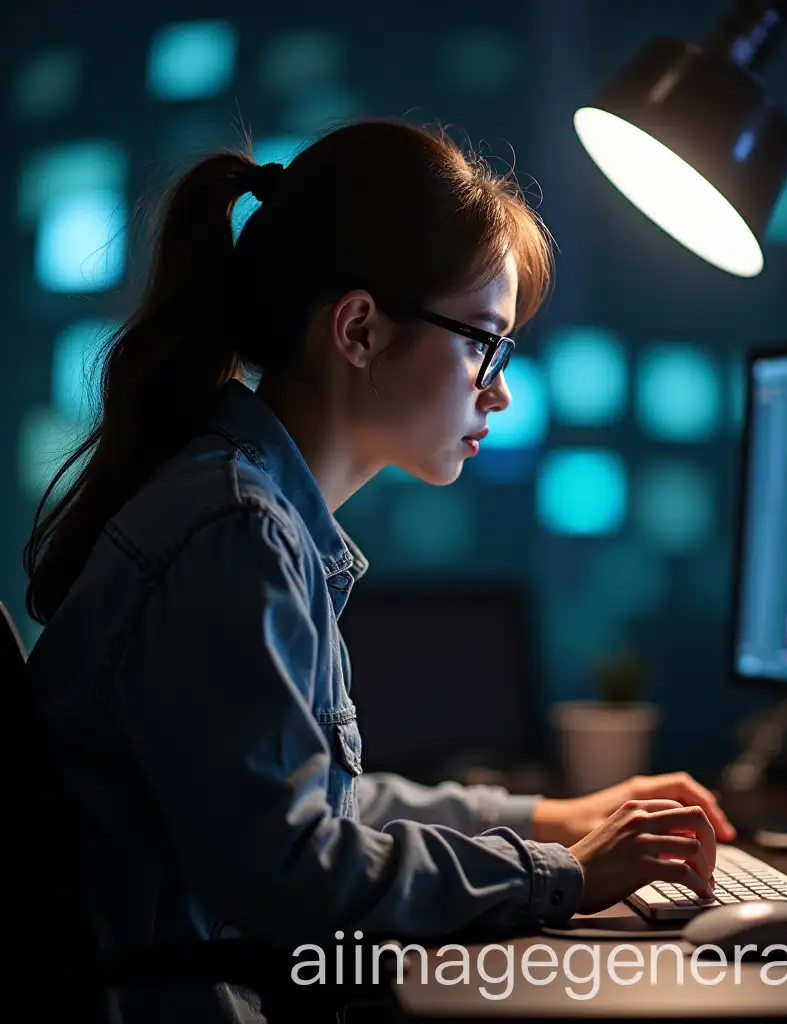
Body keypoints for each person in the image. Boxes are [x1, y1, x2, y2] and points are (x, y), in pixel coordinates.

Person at [23, 119, 735, 1024]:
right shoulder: (237, 531)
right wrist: (567, 875)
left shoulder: (250, 510)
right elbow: (294, 874)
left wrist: (552, 817)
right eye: (485, 340)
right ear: (359, 330)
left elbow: (325, 800)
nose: (500, 389)